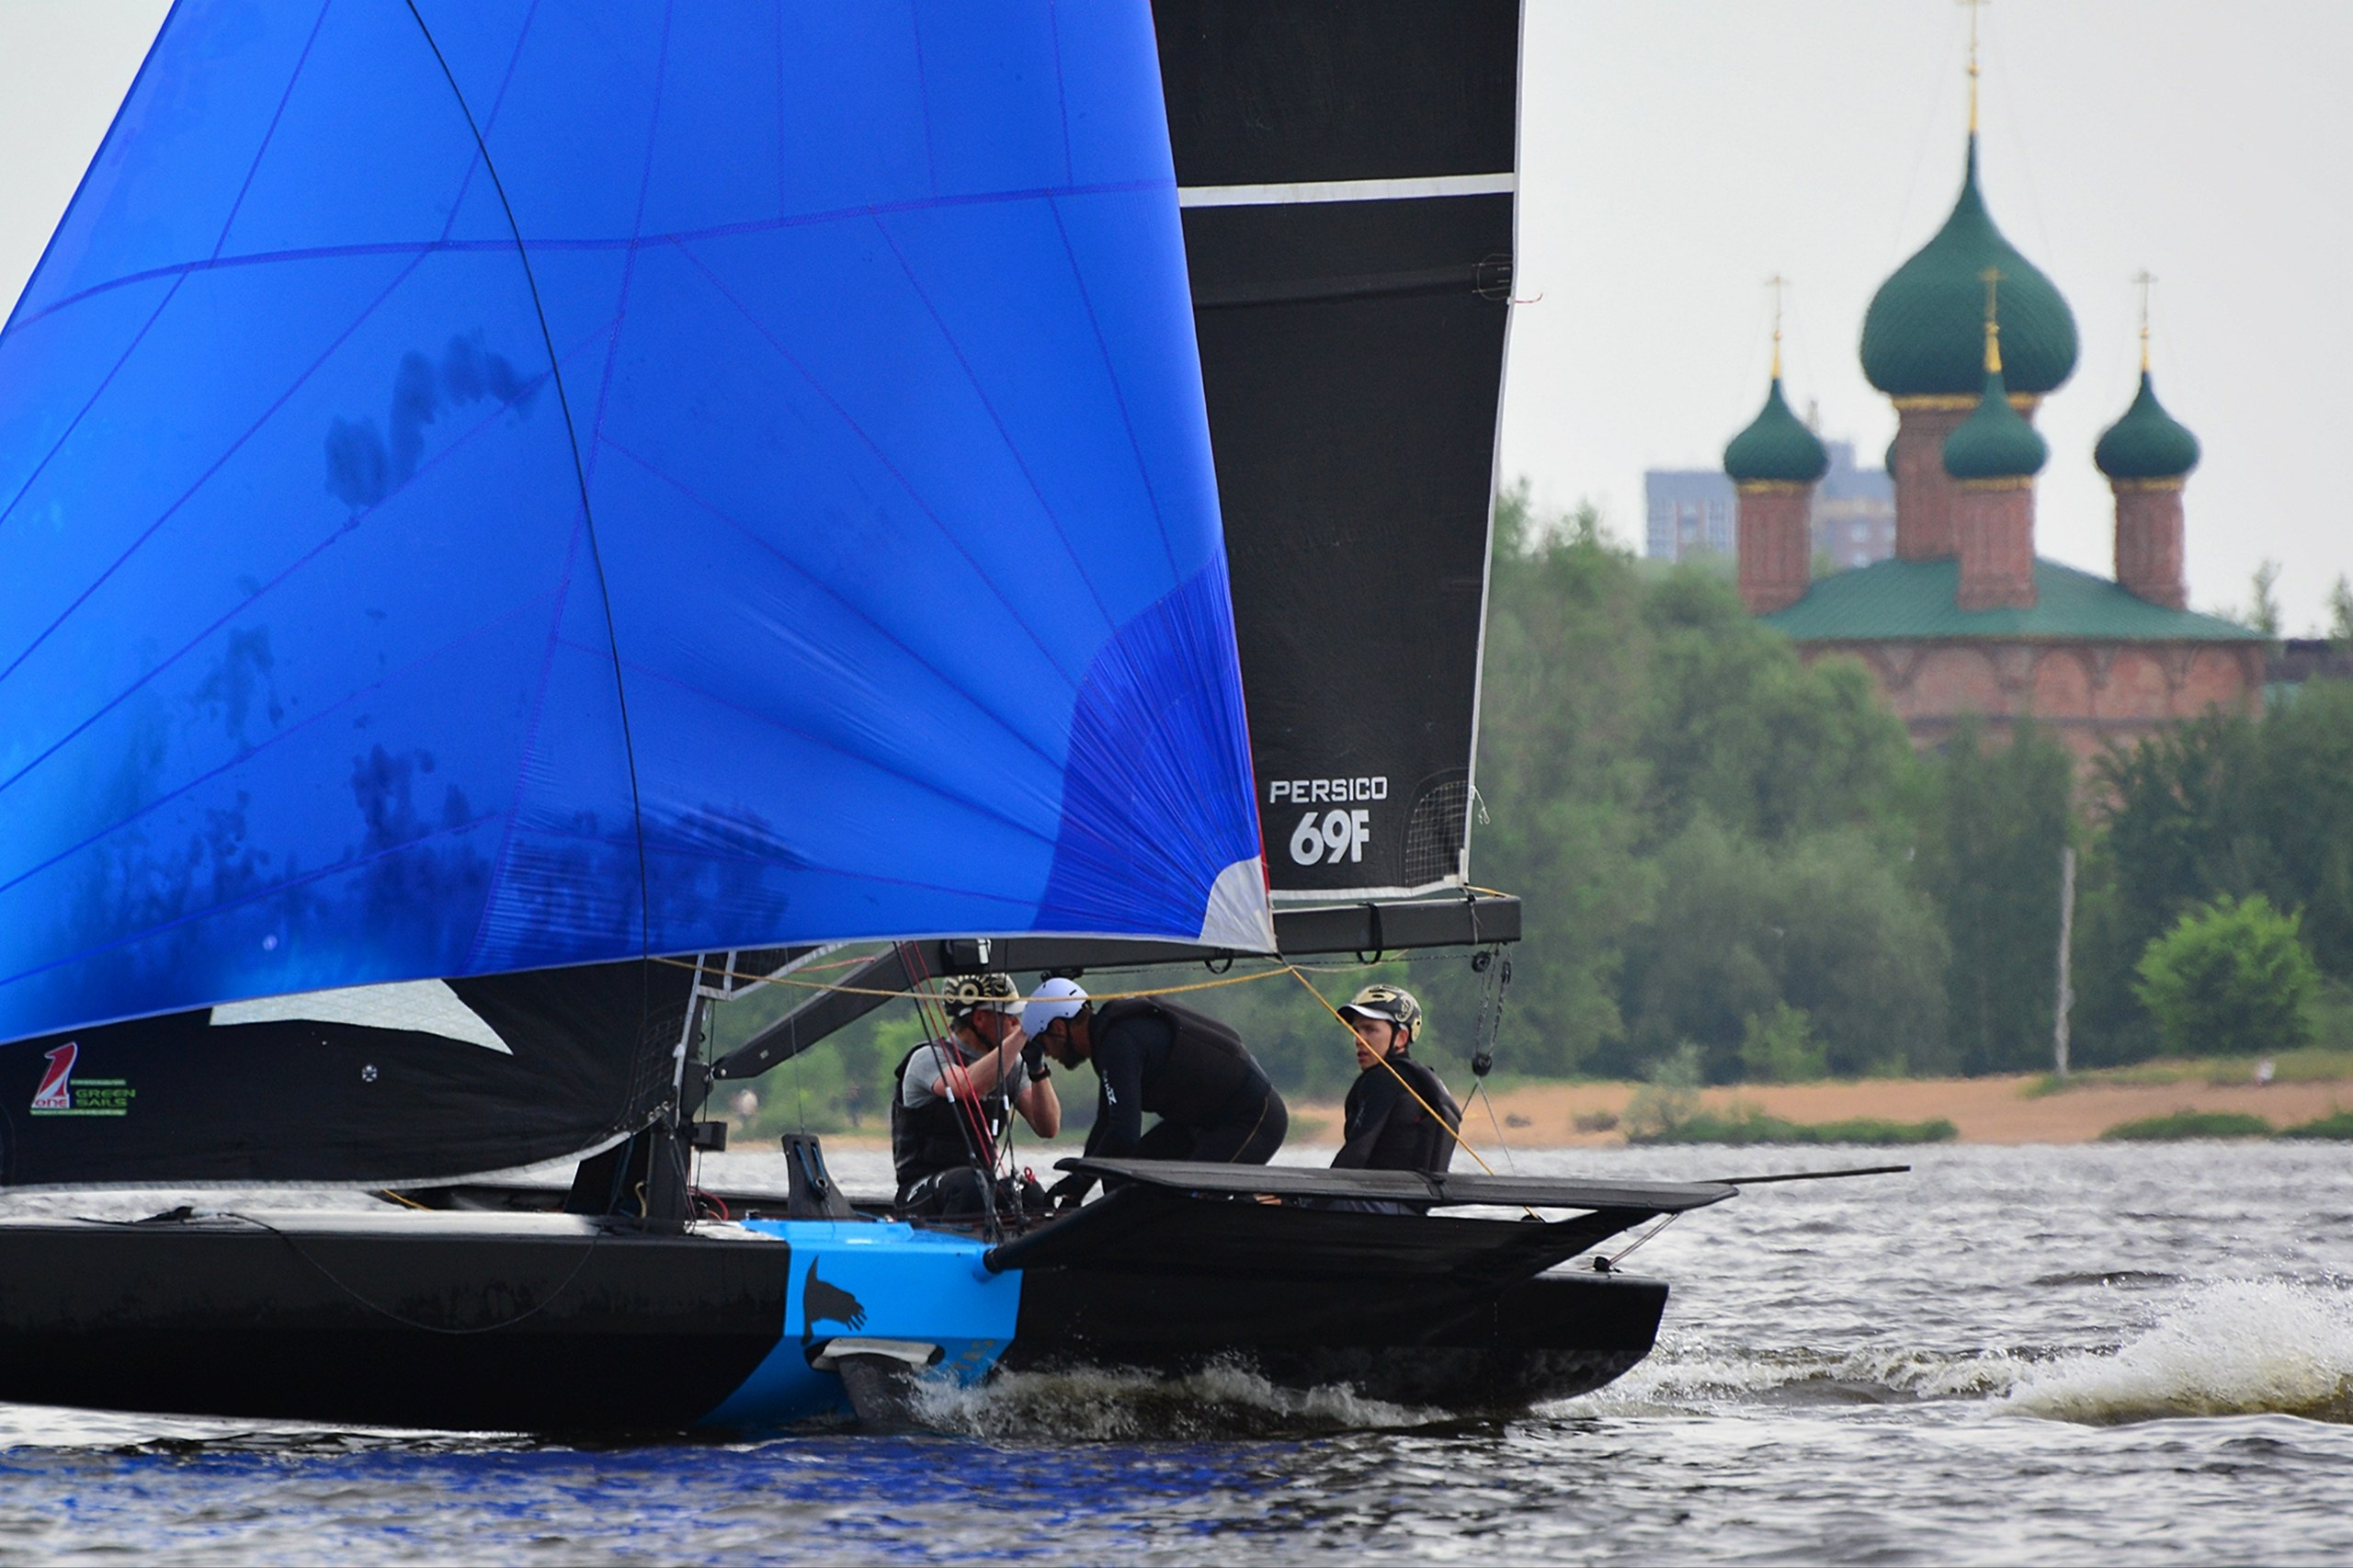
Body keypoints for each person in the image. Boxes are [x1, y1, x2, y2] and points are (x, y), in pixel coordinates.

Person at [1022, 978, 1286, 1206]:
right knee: (1122, 1180)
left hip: (1252, 1117)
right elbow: (1106, 1124)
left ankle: (1276, 1204)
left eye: (1043, 1045)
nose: (1048, 1054)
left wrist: (1080, 1179)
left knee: (1188, 1201)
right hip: (1203, 1122)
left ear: (1059, 1028)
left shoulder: (1119, 1042)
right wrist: (1076, 1189)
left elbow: (1124, 1134)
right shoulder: (1109, 1039)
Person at [891, 972, 1060, 1215]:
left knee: (1030, 1194)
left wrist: (1037, 1069)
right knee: (970, 1184)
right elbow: (969, 1086)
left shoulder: (1011, 1064)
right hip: (921, 1188)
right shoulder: (928, 1058)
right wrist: (1023, 1033)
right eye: (1009, 1016)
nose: (1016, 1022)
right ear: (979, 1018)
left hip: (980, 1182)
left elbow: (1048, 1127)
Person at [1330, 983, 1461, 1211]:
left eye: (1370, 1030)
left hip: (1380, 1208)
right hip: (1411, 1211)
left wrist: (1301, 1200)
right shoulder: (1421, 1079)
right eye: (1356, 1030)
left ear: (1401, 1038)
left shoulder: (1383, 1078)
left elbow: (1357, 1152)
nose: (1359, 1039)